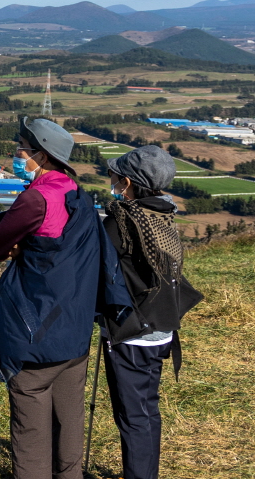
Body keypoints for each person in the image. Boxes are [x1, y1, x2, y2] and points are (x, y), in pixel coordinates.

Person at [0, 117, 129, 479]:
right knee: (69, 422)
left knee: (30, 433)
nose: (15, 153)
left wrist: (19, 244)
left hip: (36, 338)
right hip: (75, 332)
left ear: (41, 155)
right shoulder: (75, 193)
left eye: (20, 147)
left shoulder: (36, 197)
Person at [101, 145, 203, 479]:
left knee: (133, 417)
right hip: (162, 328)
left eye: (115, 175)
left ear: (127, 182)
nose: (111, 179)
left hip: (132, 334)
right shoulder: (164, 213)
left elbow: (99, 270)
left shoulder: (122, 220)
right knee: (146, 410)